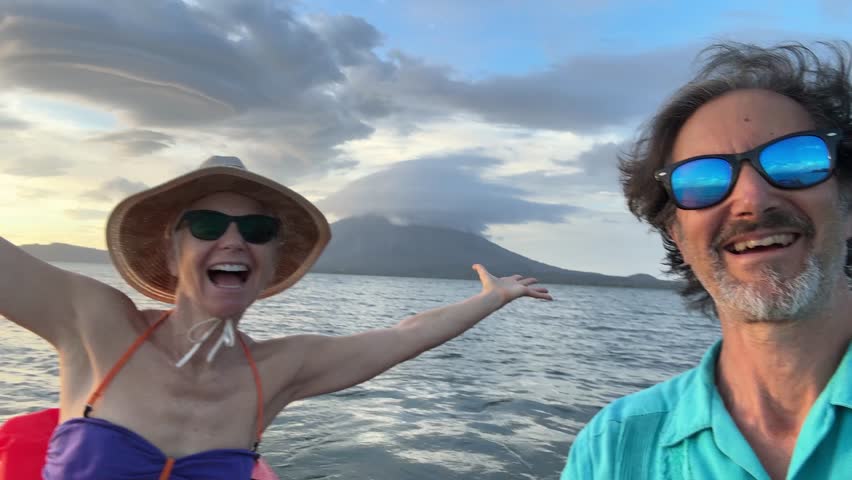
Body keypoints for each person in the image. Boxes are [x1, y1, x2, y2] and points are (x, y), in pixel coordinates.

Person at [0, 155, 552, 479]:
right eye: (209, 225)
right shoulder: (93, 323)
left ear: (268, 266)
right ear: (171, 252)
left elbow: (403, 335)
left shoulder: (280, 368)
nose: (234, 239)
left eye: (257, 231)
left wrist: (492, 297)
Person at [561, 42, 852, 479]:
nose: (751, 199)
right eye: (702, 180)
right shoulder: (613, 450)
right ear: (676, 234)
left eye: (796, 161)